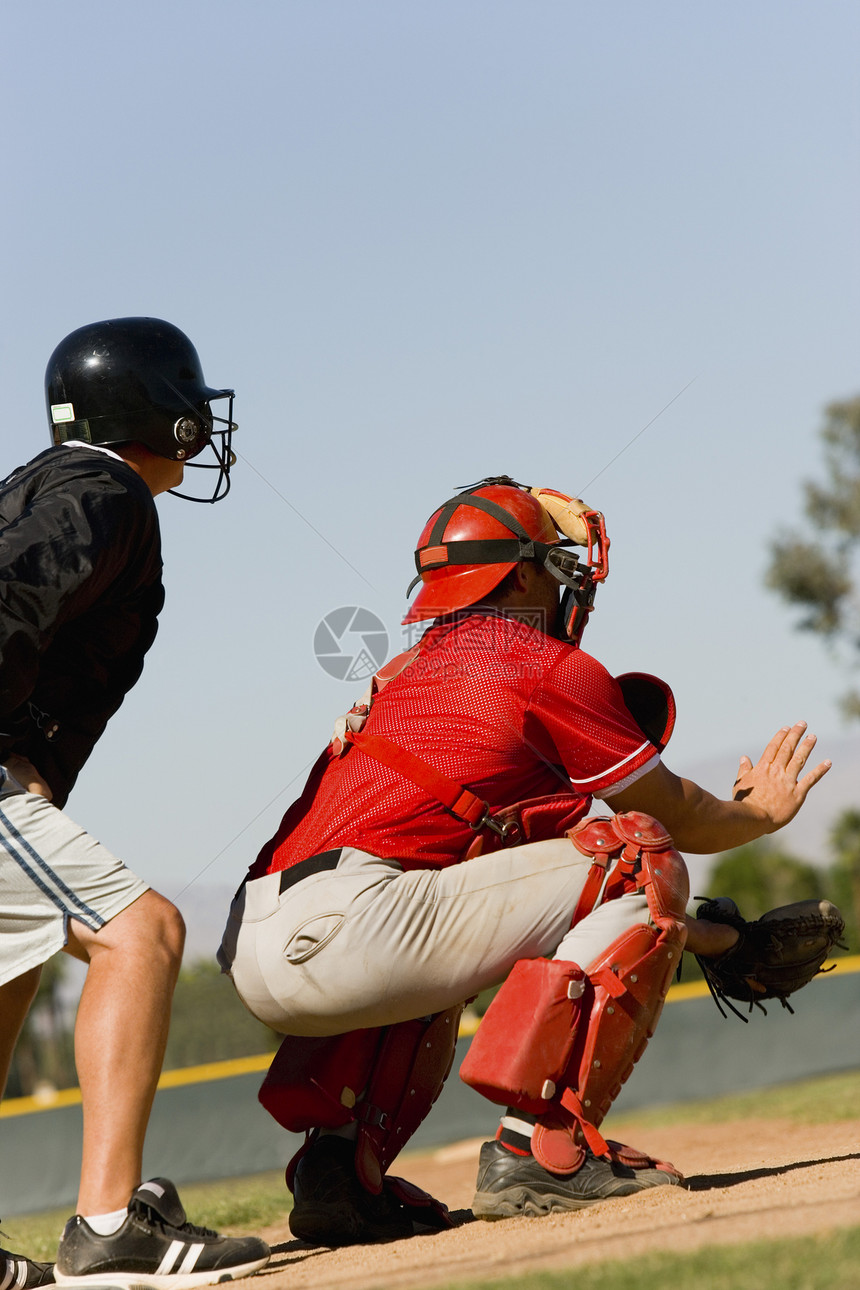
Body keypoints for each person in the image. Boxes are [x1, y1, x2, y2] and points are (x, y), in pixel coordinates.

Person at [219, 476, 829, 1245]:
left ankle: (338, 1172)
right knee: (639, 847)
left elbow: (541, 912)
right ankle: (544, 1151)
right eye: (555, 563)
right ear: (520, 574)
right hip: (357, 924)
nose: (568, 581)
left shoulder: (408, 676)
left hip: (259, 941)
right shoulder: (540, 664)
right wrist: (763, 813)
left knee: (441, 910)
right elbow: (675, 821)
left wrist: (723, 941)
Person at [0, 318, 269, 1289]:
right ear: (154, 407)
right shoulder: (105, 489)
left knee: (16, 962)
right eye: (185, 393)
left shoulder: (45, 483)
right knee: (141, 933)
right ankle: (112, 1229)